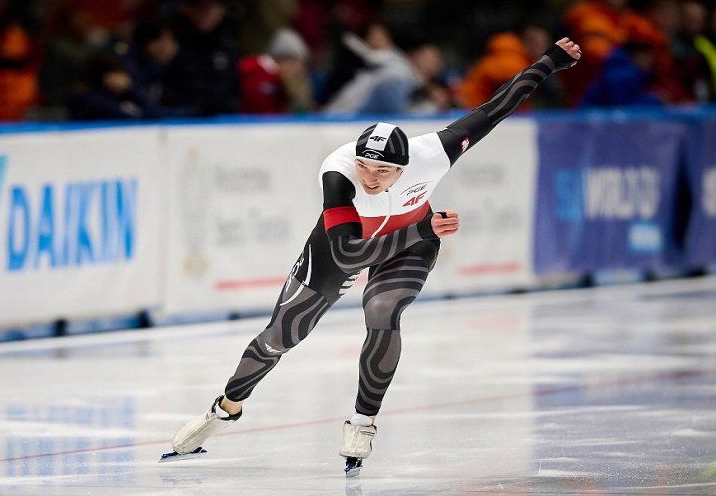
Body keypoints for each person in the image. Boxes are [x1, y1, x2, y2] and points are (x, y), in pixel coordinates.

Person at [162, 37, 582, 475]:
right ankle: (225, 409)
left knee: (382, 309)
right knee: (282, 336)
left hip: (411, 241)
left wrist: (550, 61)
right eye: (365, 166)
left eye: (383, 172)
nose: (372, 177)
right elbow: (347, 253)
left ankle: (363, 422)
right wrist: (424, 225)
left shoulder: (433, 153)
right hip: (350, 242)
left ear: (405, 168)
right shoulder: (338, 171)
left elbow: (496, 108)